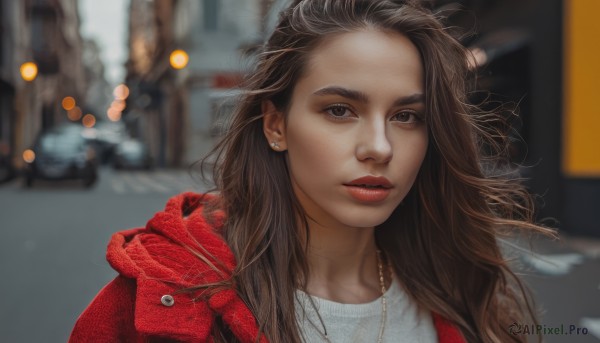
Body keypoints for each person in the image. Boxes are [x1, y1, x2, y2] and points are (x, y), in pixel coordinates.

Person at [69, 0, 555, 342]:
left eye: (407, 116)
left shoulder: (460, 294)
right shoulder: (152, 305)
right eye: (340, 110)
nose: (379, 148)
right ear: (276, 124)